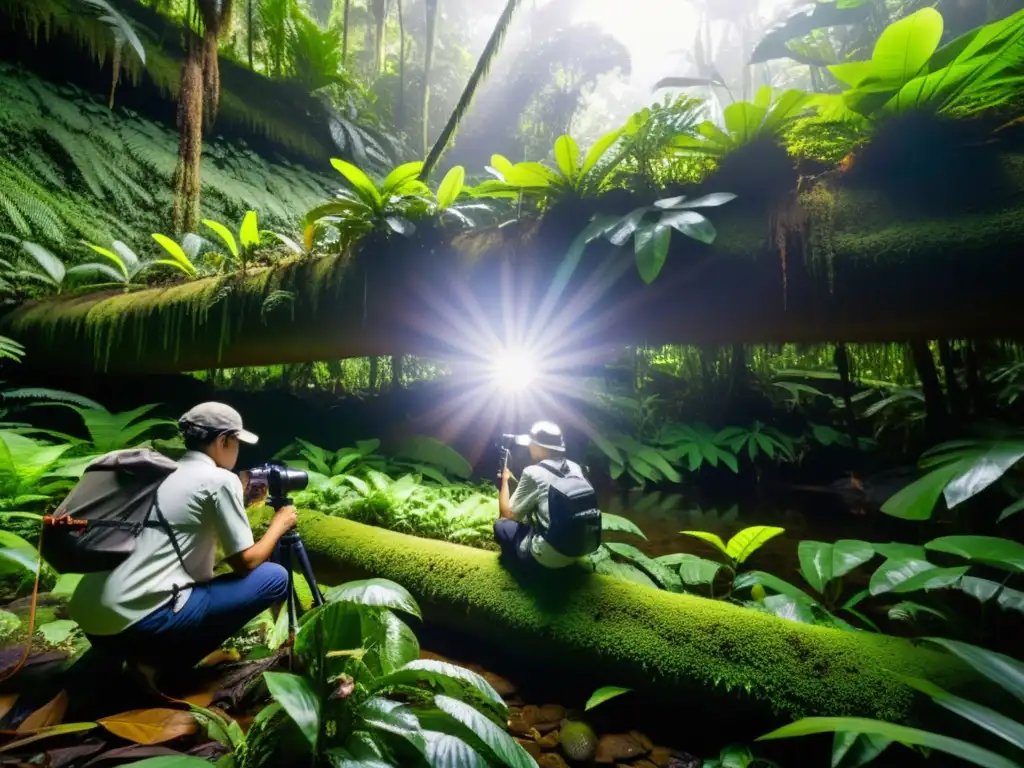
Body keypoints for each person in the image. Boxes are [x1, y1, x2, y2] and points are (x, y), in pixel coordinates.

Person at [67, 402, 296, 684]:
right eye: (236, 442)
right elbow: (245, 562)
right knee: (274, 577)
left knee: (197, 592)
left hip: (92, 613)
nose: (238, 450)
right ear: (224, 440)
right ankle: (166, 669)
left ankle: (120, 659)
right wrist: (279, 524)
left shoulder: (158, 472)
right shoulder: (219, 479)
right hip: (141, 621)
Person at [495, 420, 591, 570]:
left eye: (531, 444)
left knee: (501, 525)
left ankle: (517, 568)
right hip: (577, 550)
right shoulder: (576, 468)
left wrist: (504, 482)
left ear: (539, 447)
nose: (529, 447)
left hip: (548, 558)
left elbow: (508, 514)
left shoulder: (533, 472)